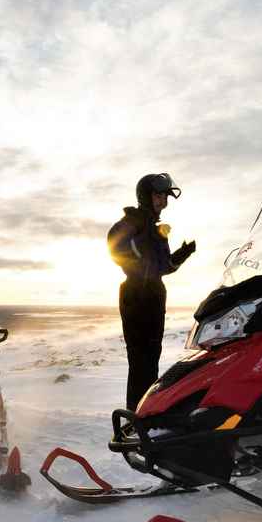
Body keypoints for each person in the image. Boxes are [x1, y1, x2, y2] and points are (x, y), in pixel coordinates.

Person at [107, 173, 196, 410]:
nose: (163, 201)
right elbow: (113, 245)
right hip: (136, 293)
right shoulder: (133, 221)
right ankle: (135, 421)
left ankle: (146, 414)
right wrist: (140, 259)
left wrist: (182, 254)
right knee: (139, 362)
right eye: (159, 196)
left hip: (155, 293)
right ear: (145, 196)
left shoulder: (156, 230)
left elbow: (163, 267)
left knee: (151, 360)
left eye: (165, 196)